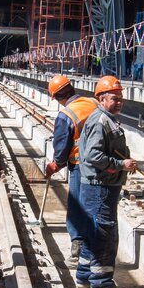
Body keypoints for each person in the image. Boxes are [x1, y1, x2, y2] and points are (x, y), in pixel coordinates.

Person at [75, 76, 137, 288]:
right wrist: (121, 164)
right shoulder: (101, 121)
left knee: (93, 232)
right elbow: (93, 155)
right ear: (101, 99)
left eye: (121, 98)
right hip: (100, 187)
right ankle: (101, 282)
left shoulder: (106, 119)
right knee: (104, 233)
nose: (119, 102)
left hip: (99, 185)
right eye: (114, 98)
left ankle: (84, 274)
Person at [45, 75, 98, 262]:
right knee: (97, 207)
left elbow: (61, 147)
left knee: (77, 206)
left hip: (80, 166)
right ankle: (97, 249)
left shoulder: (65, 115)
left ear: (57, 97)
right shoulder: (94, 102)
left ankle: (78, 248)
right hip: (103, 165)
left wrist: (55, 165)